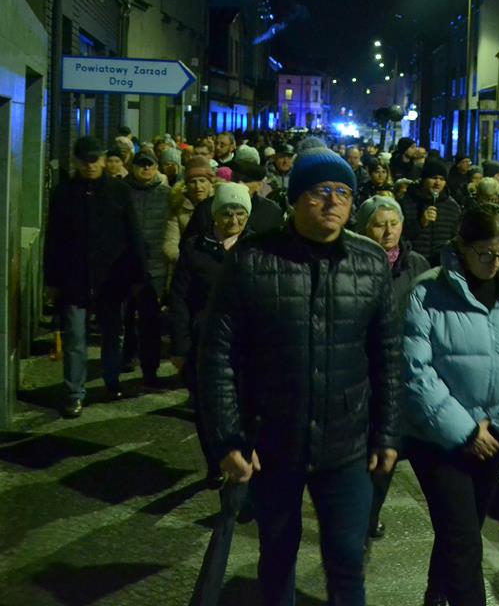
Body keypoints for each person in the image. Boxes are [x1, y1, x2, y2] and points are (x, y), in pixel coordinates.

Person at [198, 147, 403, 606]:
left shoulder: (370, 262)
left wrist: (388, 432)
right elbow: (218, 354)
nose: (333, 201)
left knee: (348, 560)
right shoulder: (253, 259)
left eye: (343, 192)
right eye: (320, 190)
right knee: (277, 557)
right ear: (295, 198)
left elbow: (389, 354)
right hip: (274, 441)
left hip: (348, 443)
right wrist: (228, 438)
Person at [399, 203, 499, 606]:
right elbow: (414, 370)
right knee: (463, 538)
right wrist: (466, 430)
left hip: (495, 438)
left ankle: (437, 593)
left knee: (463, 528)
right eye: (485, 252)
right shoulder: (427, 292)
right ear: (461, 247)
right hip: (438, 439)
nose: (495, 262)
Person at [44, 137, 145, 416]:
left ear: (103, 160)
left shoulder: (118, 191)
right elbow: (53, 238)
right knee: (75, 337)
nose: (90, 165)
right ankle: (74, 392)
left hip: (111, 277)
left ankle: (111, 380)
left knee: (113, 333)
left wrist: (137, 274)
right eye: (84, 160)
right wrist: (51, 279)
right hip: (74, 276)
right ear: (76, 161)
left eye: (95, 159)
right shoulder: (64, 193)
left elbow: (133, 234)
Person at [354, 195, 430, 542]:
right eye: (379, 224)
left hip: (401, 372)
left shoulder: (417, 264)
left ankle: (369, 514)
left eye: (394, 223)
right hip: (359, 371)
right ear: (363, 228)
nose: (388, 231)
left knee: (388, 448)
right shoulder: (351, 261)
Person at [170, 183, 253, 488]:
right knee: (207, 407)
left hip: (247, 343)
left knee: (245, 404)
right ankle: (215, 460)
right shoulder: (195, 249)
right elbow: (179, 299)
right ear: (215, 215)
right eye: (227, 213)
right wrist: (180, 346)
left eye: (240, 213)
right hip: (204, 342)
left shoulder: (256, 248)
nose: (234, 220)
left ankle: (242, 456)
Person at [124, 148, 172, 388]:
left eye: (149, 164)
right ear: (133, 167)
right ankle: (125, 357)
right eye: (141, 164)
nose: (145, 168)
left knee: (150, 321)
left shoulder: (167, 194)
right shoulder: (123, 192)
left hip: (154, 268)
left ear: (156, 168)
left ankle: (149, 370)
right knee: (124, 318)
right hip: (125, 266)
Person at [401, 159, 463, 266]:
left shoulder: (452, 207)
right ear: (423, 179)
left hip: (442, 265)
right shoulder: (407, 202)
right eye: (434, 178)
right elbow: (400, 237)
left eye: (442, 179)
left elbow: (457, 239)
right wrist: (420, 224)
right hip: (414, 265)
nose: (437, 183)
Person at [164, 159, 216, 271]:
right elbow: (170, 245)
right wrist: (190, 262)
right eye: (193, 182)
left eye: (202, 181)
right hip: (187, 268)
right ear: (186, 185)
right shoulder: (178, 209)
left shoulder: (218, 206)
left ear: (210, 183)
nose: (198, 186)